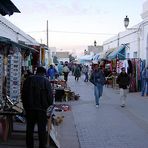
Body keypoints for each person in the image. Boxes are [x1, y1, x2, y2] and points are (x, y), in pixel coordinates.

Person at [22, 67, 53, 148]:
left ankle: (29, 146)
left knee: (29, 129)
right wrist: (49, 107)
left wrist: (25, 107)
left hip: (30, 109)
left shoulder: (28, 80)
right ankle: (42, 146)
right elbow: (50, 97)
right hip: (42, 110)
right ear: (43, 73)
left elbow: (23, 95)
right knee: (42, 130)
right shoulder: (46, 81)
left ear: (36, 72)